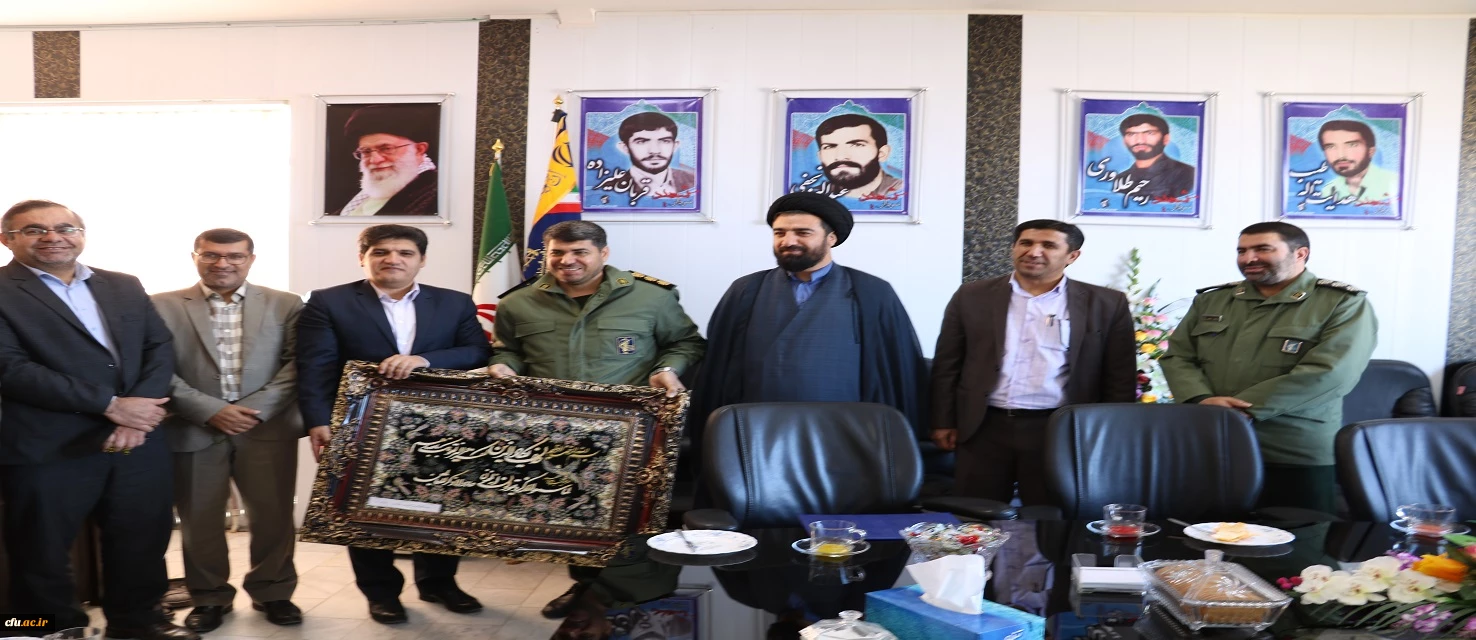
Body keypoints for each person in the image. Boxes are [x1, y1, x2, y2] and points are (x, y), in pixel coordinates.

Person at [487, 220, 705, 621]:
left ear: (603, 254)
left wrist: (667, 369)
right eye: (557, 253)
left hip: (634, 432)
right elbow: (507, 350)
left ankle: (629, 593)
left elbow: (685, 342)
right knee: (572, 514)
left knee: (636, 515)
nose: (567, 260)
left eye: (580, 252)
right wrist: (503, 366)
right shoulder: (518, 302)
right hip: (553, 432)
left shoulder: (651, 297)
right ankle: (587, 587)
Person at [0, 200, 197, 640]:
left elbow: (158, 347)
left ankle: (138, 623)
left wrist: (136, 413)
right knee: (40, 547)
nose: (53, 237)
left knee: (142, 536)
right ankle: (45, 628)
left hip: (137, 441)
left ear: (82, 234)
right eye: (34, 230)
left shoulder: (123, 284)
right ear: (7, 239)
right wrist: (110, 405)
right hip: (46, 444)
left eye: (65, 228)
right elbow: (10, 368)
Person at [296, 224, 492, 623]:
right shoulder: (328, 301)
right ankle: (381, 592)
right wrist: (318, 421)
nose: (393, 259)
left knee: (442, 504)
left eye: (405, 252)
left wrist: (425, 360)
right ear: (362, 258)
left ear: (422, 259)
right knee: (364, 508)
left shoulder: (454, 302)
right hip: (361, 422)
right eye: (381, 252)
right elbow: (315, 365)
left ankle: (439, 583)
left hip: (441, 425)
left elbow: (476, 351)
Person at [1161, 221, 1378, 513]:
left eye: (1263, 249)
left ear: (1300, 253)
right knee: (1204, 533)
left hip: (1293, 448)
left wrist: (1243, 409)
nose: (1248, 258)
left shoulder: (1340, 303)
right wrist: (1201, 399)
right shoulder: (1213, 301)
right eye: (1242, 251)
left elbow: (1332, 372)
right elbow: (1178, 357)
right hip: (1212, 442)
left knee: (1298, 535)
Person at [152, 229, 306, 631]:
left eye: (235, 256)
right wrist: (211, 410)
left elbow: (297, 364)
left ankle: (273, 591)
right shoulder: (161, 305)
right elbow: (156, 368)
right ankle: (209, 597)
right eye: (211, 255)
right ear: (195, 257)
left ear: (251, 259)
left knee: (273, 516)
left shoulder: (285, 303)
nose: (223, 263)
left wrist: (254, 411)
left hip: (265, 428)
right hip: (193, 427)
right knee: (199, 519)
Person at [690, 192, 929, 444]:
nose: (788, 241)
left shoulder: (872, 292)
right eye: (780, 233)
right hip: (759, 435)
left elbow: (897, 370)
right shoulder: (745, 291)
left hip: (846, 435)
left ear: (831, 238)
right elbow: (717, 369)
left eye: (802, 233)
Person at [929, 220, 1136, 505]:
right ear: (1013, 248)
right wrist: (943, 421)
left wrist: (1110, 431)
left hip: (1058, 428)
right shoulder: (972, 295)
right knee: (974, 515)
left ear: (1072, 256)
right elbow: (947, 364)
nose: (1034, 251)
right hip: (983, 426)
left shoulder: (1106, 303)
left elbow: (1120, 375)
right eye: (1025, 243)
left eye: (1048, 245)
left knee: (1048, 516)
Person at [330, 105, 438, 216]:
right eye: (366, 151)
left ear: (419, 150)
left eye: (386, 149)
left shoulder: (436, 195)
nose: (375, 160)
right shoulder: (360, 195)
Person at [814, 113, 902, 199]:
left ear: (882, 153)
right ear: (820, 156)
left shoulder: (902, 192)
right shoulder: (813, 196)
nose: (841, 156)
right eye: (829, 147)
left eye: (857, 145)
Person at [1114, 113, 1196, 201]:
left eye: (1150, 133)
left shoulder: (1190, 175)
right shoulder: (1120, 180)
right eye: (1131, 134)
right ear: (1124, 141)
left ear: (1165, 139)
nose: (1140, 140)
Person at [1316, 119, 1398, 204]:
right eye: (1331, 147)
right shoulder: (1328, 191)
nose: (1341, 156)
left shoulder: (1395, 183)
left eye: (1352, 145)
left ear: (1371, 151)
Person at [616, 111, 695, 198]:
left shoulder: (694, 181)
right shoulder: (611, 188)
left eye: (665, 141)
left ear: (675, 146)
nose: (655, 151)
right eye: (641, 142)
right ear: (625, 148)